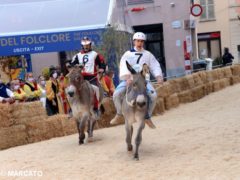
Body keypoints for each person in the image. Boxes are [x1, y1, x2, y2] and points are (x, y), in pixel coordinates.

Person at [110, 32, 163, 129]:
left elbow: (155, 65)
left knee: (153, 96)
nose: (140, 43)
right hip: (130, 79)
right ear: (134, 41)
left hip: (144, 81)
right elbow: (123, 65)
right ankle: (118, 114)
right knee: (116, 94)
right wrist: (127, 77)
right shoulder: (127, 54)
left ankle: (147, 117)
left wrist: (158, 76)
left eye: (142, 41)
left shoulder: (148, 54)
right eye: (138, 41)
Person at [71, 36, 106, 116]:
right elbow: (72, 64)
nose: (86, 47)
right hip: (80, 77)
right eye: (84, 45)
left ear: (90, 45)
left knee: (96, 89)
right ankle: (71, 109)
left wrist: (101, 69)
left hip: (91, 77)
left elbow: (102, 63)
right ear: (82, 46)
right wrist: (75, 65)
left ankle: (96, 108)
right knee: (72, 89)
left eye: (87, 45)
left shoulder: (95, 54)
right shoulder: (77, 55)